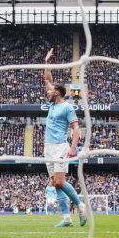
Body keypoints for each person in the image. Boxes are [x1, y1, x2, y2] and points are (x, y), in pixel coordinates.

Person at [43, 47, 86, 228]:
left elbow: (76, 129)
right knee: (55, 183)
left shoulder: (67, 107)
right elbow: (47, 79)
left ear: (58, 93)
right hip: (48, 147)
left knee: (60, 181)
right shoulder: (51, 105)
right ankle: (67, 218)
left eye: (51, 91)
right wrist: (46, 62)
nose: (48, 92)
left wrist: (73, 148)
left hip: (60, 147)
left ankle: (81, 205)